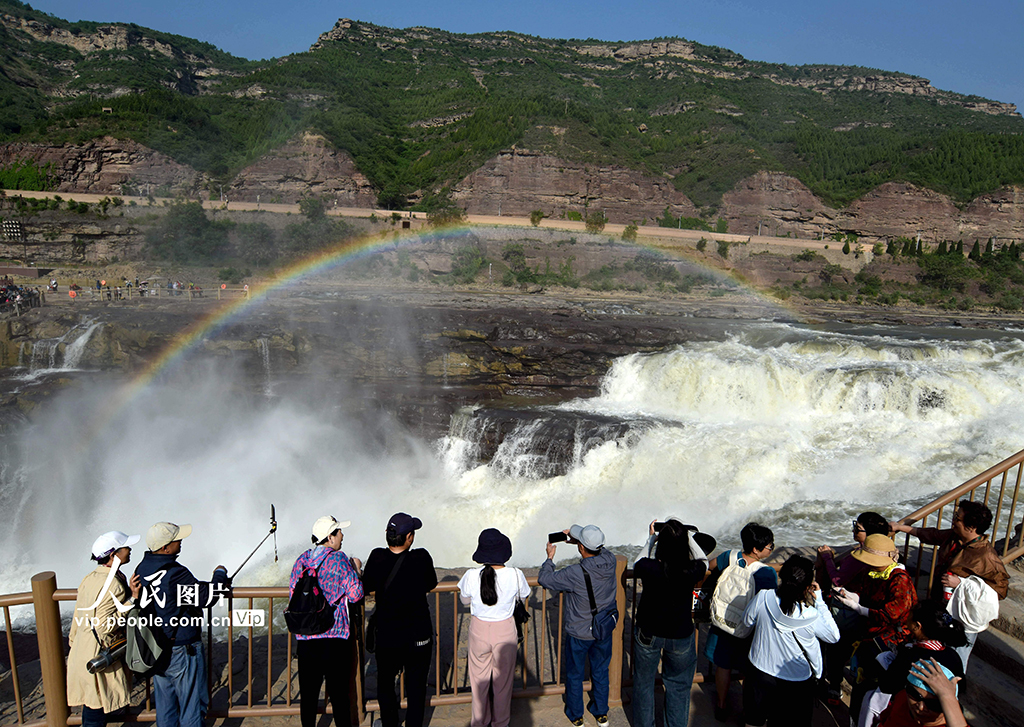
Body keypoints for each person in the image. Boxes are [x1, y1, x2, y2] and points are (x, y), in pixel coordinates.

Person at [134, 522, 230, 727]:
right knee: (191, 706)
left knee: (166, 707)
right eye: (177, 540)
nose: (181, 542)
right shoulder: (175, 573)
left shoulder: (141, 569)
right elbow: (206, 597)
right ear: (165, 548)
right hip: (182, 647)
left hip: (157, 647)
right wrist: (219, 575)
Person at [891, 500, 1009, 667]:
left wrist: (962, 583)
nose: (953, 520)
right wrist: (902, 527)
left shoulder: (986, 556)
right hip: (942, 607)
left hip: (962, 616)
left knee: (955, 658)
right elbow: (932, 535)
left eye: (957, 518)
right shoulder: (955, 537)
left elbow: (1000, 590)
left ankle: (952, 689)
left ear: (971, 527)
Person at [736, 554, 839, 727]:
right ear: (807, 587)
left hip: (760, 672)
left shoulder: (763, 597)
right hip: (797, 682)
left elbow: (746, 622)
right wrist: (819, 601)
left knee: (754, 721)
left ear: (782, 576)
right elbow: (833, 636)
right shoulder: (811, 616)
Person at [632, 519, 710, 727]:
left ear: (661, 544)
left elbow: (637, 562)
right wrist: (688, 537)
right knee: (678, 687)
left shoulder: (649, 568)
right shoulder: (691, 570)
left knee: (644, 684)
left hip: (649, 632)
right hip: (680, 634)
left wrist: (651, 539)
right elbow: (703, 558)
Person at [362, 513, 438, 727]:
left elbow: (366, 586)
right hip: (418, 635)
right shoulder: (421, 557)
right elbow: (431, 583)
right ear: (409, 538)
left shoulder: (377, 557)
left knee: (385, 684)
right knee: (417, 686)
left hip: (388, 635)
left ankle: (389, 724)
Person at [538, 523, 618, 727]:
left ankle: (576, 716)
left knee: (574, 675)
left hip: (579, 633)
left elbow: (545, 579)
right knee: (600, 671)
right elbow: (598, 547)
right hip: (603, 629)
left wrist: (549, 558)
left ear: (581, 548)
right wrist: (578, 537)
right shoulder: (610, 560)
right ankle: (601, 713)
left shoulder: (575, 573)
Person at [832, 534, 918, 719]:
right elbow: (864, 594)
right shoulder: (872, 573)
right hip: (870, 637)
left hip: (889, 643)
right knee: (861, 686)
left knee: (877, 690)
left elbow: (893, 614)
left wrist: (860, 609)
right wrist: (852, 596)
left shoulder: (900, 580)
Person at [290, 515, 364, 727]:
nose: (342, 535)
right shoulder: (339, 559)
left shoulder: (301, 560)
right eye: (339, 531)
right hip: (334, 636)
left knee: (309, 698)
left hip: (306, 637)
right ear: (330, 538)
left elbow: (292, 593)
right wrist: (357, 570)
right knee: (340, 696)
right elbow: (356, 594)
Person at [702, 522, 777, 721]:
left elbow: (708, 567)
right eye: (770, 546)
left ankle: (721, 704)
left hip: (723, 619)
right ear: (756, 549)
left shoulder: (729, 556)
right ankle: (747, 709)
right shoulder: (767, 573)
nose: (771, 549)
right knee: (749, 669)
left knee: (723, 665)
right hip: (750, 627)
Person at [67, 531, 142, 727]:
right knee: (96, 710)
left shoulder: (90, 578)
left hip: (82, 650)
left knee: (91, 705)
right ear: (113, 555)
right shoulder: (113, 584)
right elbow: (103, 625)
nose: (129, 549)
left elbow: (78, 616)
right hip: (99, 654)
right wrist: (132, 599)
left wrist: (74, 644)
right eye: (125, 547)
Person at [458, 528, 530, 727]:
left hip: (479, 629)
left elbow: (464, 600)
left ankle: (480, 722)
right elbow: (522, 597)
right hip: (505, 631)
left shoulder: (471, 575)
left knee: (479, 682)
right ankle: (501, 723)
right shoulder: (516, 574)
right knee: (503, 684)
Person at [859, 601, 968, 727]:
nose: (922, 706)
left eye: (909, 616)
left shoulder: (911, 655)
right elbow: (962, 687)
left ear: (917, 626)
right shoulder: (953, 655)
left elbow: (887, 685)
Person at [878, 659, 969, 727]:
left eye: (933, 704)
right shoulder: (902, 698)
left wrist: (947, 695)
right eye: (915, 695)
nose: (921, 707)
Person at [817, 512, 891, 594]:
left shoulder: (861, 556)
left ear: (869, 533)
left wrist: (827, 557)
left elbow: (838, 581)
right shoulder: (884, 550)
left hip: (853, 597)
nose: (853, 530)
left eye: (857, 529)